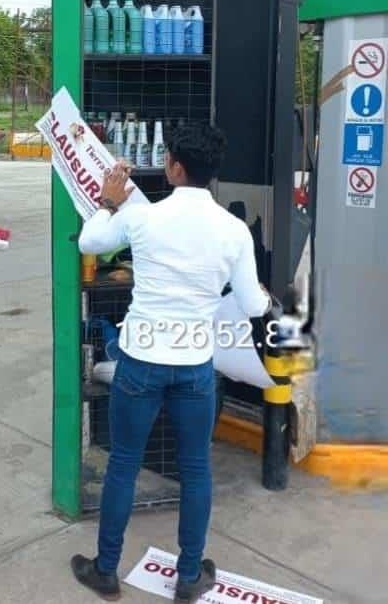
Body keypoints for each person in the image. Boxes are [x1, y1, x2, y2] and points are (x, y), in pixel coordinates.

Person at [70, 123, 270, 603]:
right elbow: (253, 305)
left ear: (174, 167)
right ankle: (187, 577)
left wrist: (107, 198)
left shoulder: (143, 218)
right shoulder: (234, 231)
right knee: (196, 466)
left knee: (123, 463)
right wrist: (258, 295)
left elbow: (89, 243)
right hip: (195, 367)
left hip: (141, 360)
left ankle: (105, 570)